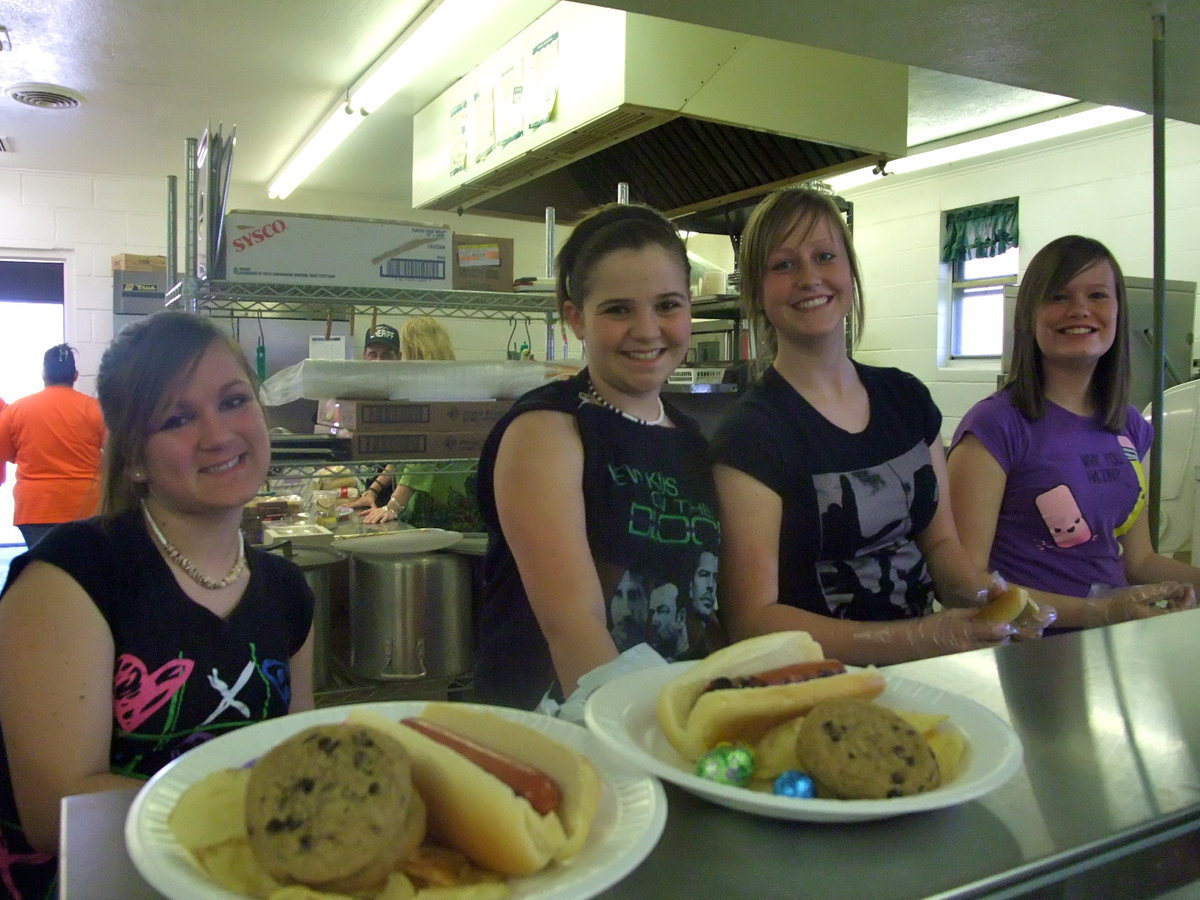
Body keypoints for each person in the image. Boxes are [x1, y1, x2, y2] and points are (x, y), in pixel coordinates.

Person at [0, 311, 315, 896]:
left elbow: (297, 760)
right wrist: (249, 805)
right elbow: (55, 813)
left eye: (233, 401)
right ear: (136, 459)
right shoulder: (72, 576)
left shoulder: (287, 591)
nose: (218, 435)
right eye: (177, 418)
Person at [710, 188, 1046, 666]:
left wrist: (985, 598)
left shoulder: (906, 399)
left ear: (849, 272)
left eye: (825, 256)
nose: (809, 278)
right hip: (816, 685)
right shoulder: (750, 434)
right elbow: (752, 620)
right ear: (759, 295)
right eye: (783, 265)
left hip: (928, 671)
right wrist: (917, 637)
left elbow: (943, 544)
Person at [473, 203, 720, 709]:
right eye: (618, 309)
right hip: (565, 730)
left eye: (667, 305)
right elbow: (573, 627)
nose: (648, 330)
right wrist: (648, 739)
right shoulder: (546, 431)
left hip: (670, 713)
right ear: (575, 319)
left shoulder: (691, 439)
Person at [948, 235, 1198, 628]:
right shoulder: (995, 426)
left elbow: (1140, 561)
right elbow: (964, 584)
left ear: (1118, 311)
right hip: (1031, 653)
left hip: (1116, 643)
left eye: (1097, 295)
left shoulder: (1129, 425)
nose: (1080, 310)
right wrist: (1099, 611)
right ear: (1030, 315)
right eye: (1058, 297)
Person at [350, 317, 483, 532]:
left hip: (444, 512)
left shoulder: (435, 391)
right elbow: (407, 452)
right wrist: (373, 490)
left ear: (415, 350)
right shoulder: (433, 384)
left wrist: (393, 506)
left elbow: (424, 457)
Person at [0, 344, 106, 548]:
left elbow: (4, 452)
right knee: (82, 572)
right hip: (85, 506)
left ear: (43, 374)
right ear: (75, 375)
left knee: (44, 571)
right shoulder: (95, 409)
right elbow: (116, 451)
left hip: (34, 509)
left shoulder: (16, 411)